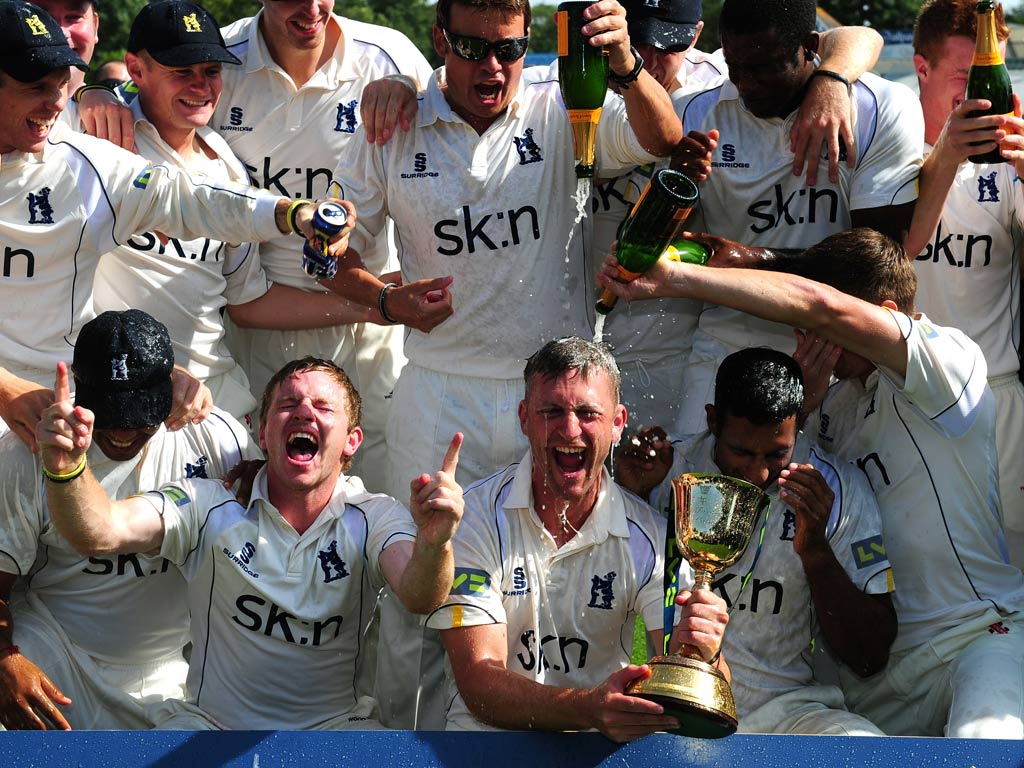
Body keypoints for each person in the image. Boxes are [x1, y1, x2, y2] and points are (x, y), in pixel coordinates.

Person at [324, 0, 682, 729]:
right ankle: (401, 747)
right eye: (472, 46)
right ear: (439, 40)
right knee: (420, 597)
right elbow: (325, 253)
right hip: (438, 392)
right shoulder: (394, 116)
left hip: (551, 401)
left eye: (510, 49)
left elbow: (663, 136)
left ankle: (546, 730)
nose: (492, 66)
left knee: (537, 592)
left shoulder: (563, 102)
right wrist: (386, 305)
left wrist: (624, 62)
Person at [598, 227, 1024, 738]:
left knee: (985, 744)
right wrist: (805, 405)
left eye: (826, 326)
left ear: (883, 316)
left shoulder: (948, 364)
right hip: (874, 678)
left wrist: (675, 277)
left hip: (974, 634)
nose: (811, 335)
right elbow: (768, 444)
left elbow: (821, 304)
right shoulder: (830, 409)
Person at [37, 355, 464, 730]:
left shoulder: (375, 515)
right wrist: (67, 469)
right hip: (211, 726)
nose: (303, 414)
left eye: (322, 406)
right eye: (288, 404)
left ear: (352, 440)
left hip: (334, 729)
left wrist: (435, 544)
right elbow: (101, 530)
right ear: (262, 434)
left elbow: (420, 595)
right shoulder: (207, 503)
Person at [0, 0, 351, 448]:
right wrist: (5, 389)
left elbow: (190, 197)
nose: (53, 103)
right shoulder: (95, 128)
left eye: (59, 84)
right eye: (34, 86)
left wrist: (291, 213)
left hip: (74, 413)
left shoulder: (86, 162)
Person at [592, 0, 884, 434]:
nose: (651, 59)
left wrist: (830, 79)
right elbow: (661, 142)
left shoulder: (719, 74)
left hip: (729, 344)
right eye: (638, 45)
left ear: (696, 36)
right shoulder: (593, 97)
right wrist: (680, 181)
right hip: (622, 342)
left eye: (668, 43)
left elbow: (860, 36)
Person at [423, 336, 729, 742]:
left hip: (595, 747)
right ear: (524, 418)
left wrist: (706, 651)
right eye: (551, 411)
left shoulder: (653, 537)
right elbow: (480, 684)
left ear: (618, 423)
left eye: (588, 413)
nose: (570, 429)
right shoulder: (473, 517)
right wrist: (586, 706)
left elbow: (696, 692)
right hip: (486, 742)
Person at [92, 0, 383, 423]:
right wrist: (91, 91)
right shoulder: (97, 140)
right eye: (181, 72)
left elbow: (248, 301)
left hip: (214, 394)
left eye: (211, 71)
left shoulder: (226, 164)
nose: (201, 86)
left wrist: (377, 305)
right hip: (119, 390)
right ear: (135, 70)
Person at [667, 0, 923, 437]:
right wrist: (675, 191)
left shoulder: (882, 108)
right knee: (700, 495)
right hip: (726, 345)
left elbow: (879, 265)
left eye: (763, 68)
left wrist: (754, 260)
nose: (745, 83)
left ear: (809, 48)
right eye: (734, 66)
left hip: (841, 352)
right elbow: (667, 239)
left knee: (831, 501)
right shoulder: (695, 112)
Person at [0, 310, 258, 731]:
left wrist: (266, 481)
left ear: (170, 391)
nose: (123, 431)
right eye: (110, 412)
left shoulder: (218, 439)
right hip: (52, 652)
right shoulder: (25, 451)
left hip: (173, 672)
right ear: (79, 392)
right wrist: (4, 659)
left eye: (140, 412)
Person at [616, 347, 894, 735]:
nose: (758, 472)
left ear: (798, 428)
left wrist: (815, 550)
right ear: (713, 420)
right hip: (671, 705)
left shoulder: (837, 489)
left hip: (787, 713)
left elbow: (870, 656)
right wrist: (628, 492)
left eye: (778, 453)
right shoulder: (665, 469)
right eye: (741, 451)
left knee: (865, 750)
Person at [903, 0, 1024, 567]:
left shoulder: (1008, 166)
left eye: (986, 76)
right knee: (912, 572)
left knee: (1010, 579)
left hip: (994, 398)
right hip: (905, 397)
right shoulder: (889, 151)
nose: (977, 94)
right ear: (920, 68)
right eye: (962, 77)